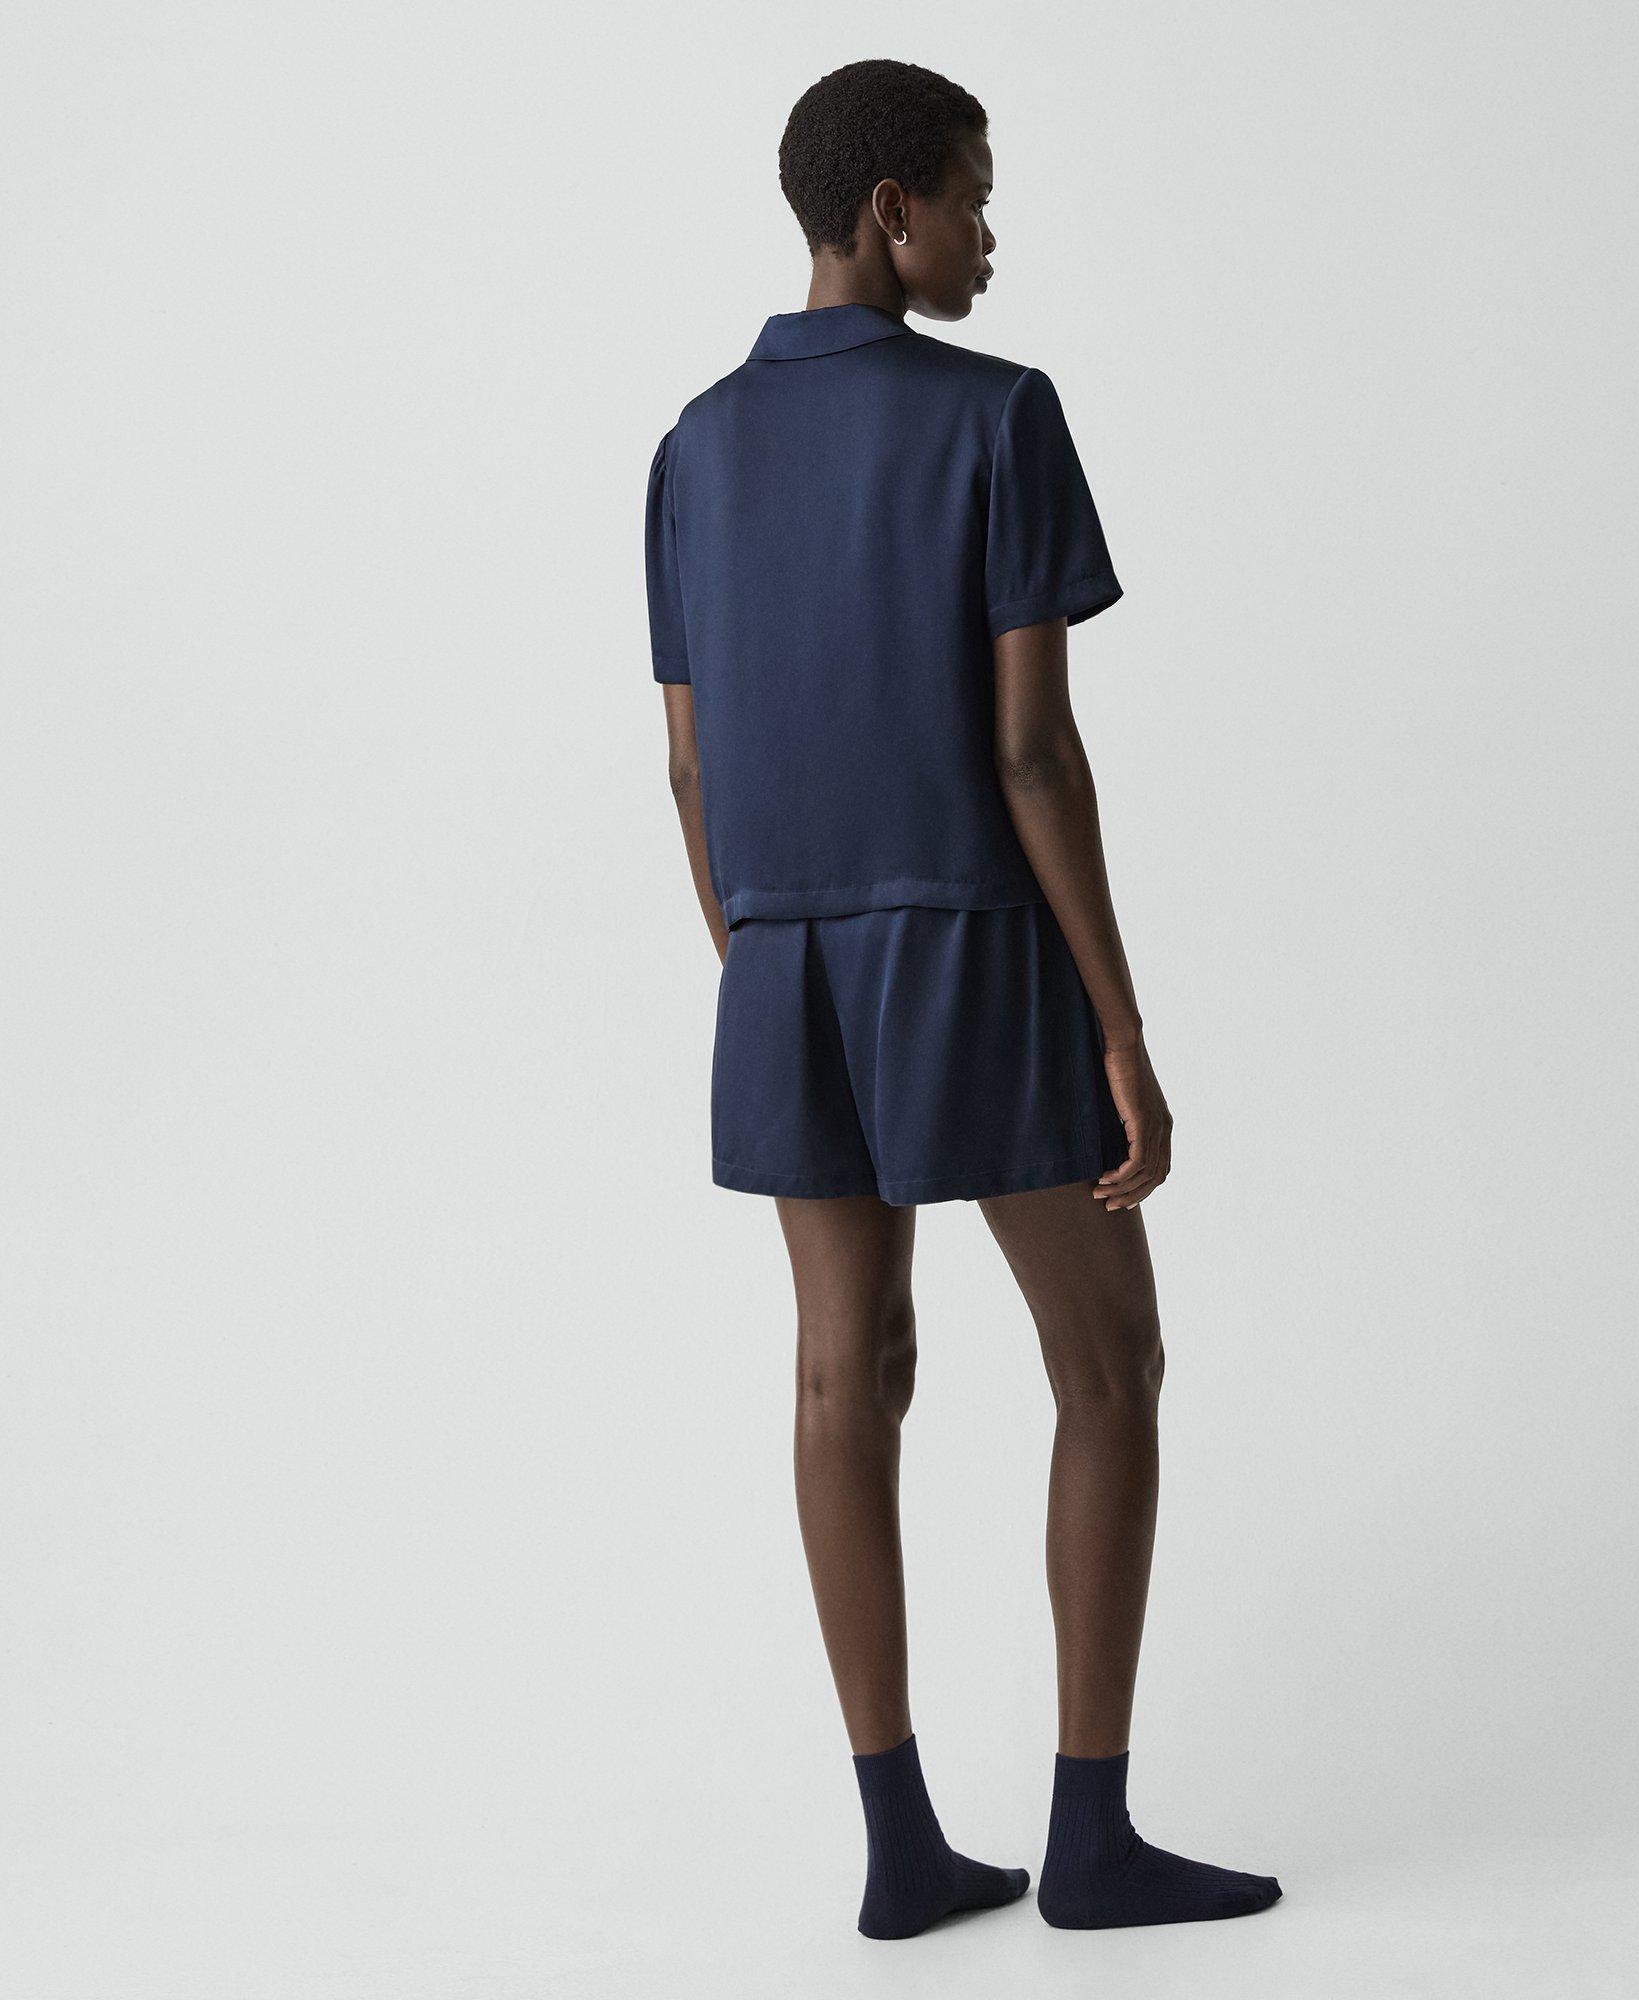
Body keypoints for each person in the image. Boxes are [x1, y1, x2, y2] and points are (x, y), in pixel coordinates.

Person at [644, 57, 1282, 1939]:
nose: (991, 235)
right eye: (975, 196)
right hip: (975, 945)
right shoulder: (1000, 415)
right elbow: (1030, 754)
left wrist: (761, 958)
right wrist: (1122, 1028)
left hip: (781, 959)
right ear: (892, 208)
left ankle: (900, 1847)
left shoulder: (692, 446)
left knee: (844, 1374)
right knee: (1109, 1364)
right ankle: (1091, 1838)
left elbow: (688, 766)